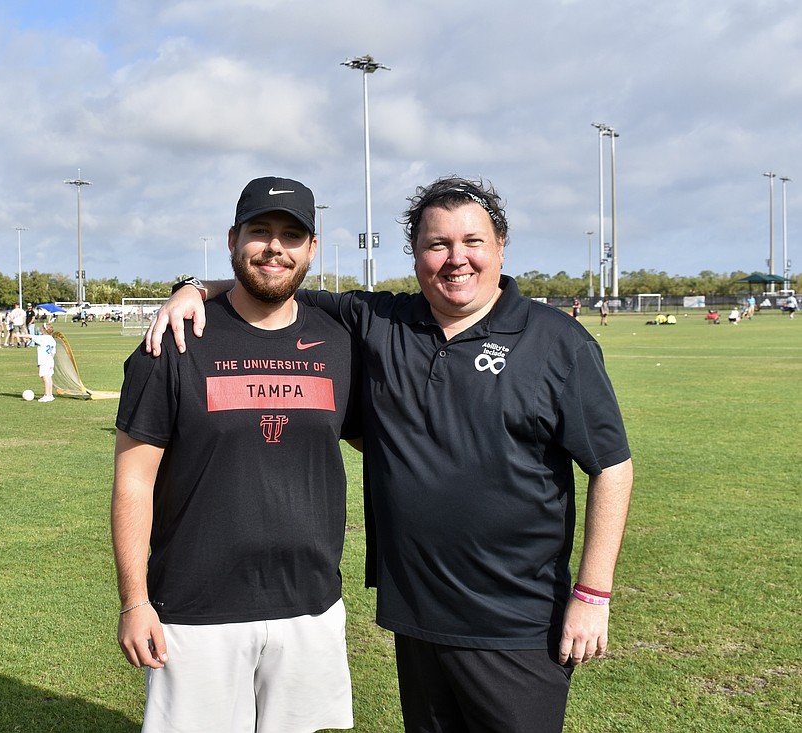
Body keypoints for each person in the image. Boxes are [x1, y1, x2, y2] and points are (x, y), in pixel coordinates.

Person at [150, 176, 634, 733]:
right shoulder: (380, 321)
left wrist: (592, 595)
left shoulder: (557, 342)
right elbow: (274, 281)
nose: (456, 259)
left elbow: (612, 467)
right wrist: (193, 288)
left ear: (501, 246)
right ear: (416, 254)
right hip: (417, 617)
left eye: (473, 242)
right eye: (437, 244)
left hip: (519, 623)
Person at [112, 176, 358, 732]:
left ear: (312, 249)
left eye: (292, 235)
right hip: (197, 610)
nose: (275, 247)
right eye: (260, 231)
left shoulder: (341, 342)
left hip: (309, 605)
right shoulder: (173, 341)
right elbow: (133, 480)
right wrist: (134, 601)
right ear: (233, 239)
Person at [17, 323, 58, 401]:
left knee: (45, 377)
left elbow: (30, 336)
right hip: (50, 361)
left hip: (44, 361)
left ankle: (47, 395)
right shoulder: (52, 340)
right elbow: (53, 353)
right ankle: (50, 394)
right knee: (49, 377)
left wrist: (19, 335)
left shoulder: (42, 338)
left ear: (44, 330)